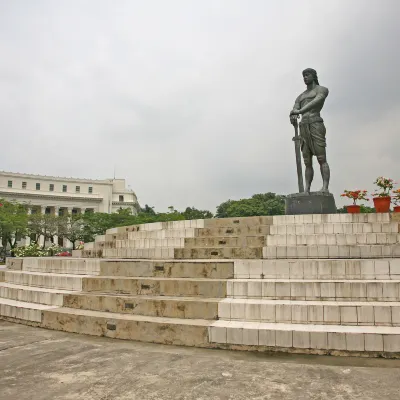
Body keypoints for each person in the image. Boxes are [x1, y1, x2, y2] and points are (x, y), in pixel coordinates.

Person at [290, 68, 330, 193]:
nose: (305, 78)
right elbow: (294, 109)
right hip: (303, 127)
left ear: (314, 76)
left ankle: (325, 187)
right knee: (307, 161)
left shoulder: (321, 89)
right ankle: (307, 188)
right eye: (303, 76)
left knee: (321, 158)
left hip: (315, 123)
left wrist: (300, 111)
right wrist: (293, 116)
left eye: (307, 75)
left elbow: (317, 101)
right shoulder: (300, 96)